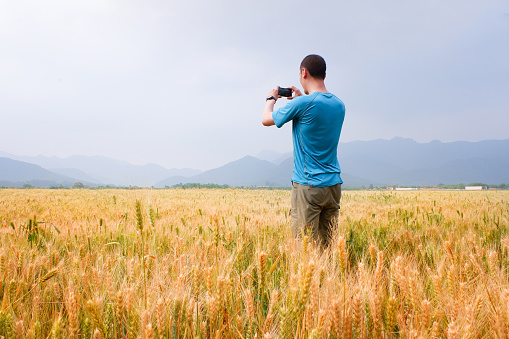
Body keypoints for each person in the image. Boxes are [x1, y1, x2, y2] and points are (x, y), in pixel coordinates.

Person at [261, 54, 345, 247]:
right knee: (329, 247)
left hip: (309, 186)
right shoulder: (339, 105)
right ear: (324, 74)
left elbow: (266, 119)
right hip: (333, 186)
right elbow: (316, 114)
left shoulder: (302, 104)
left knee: (304, 250)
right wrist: (301, 98)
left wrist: (271, 98)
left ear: (304, 72)